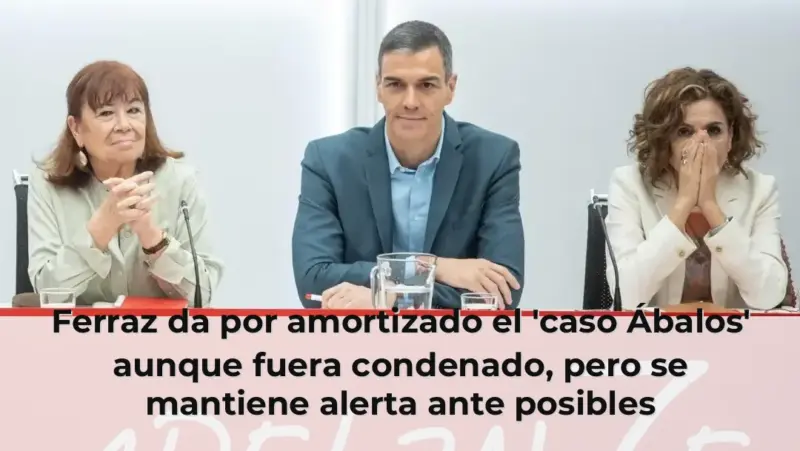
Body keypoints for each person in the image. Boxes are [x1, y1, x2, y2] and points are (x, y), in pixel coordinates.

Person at [292, 20, 524, 309]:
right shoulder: (328, 161)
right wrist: (434, 268)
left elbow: (503, 291)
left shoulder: (494, 159)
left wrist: (384, 297)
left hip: (455, 338)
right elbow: (313, 281)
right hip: (357, 336)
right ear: (378, 88)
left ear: (450, 88)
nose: (410, 102)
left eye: (426, 85)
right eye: (396, 85)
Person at [27, 60, 223, 306]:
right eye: (106, 113)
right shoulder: (48, 186)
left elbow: (202, 296)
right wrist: (101, 229)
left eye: (133, 110)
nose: (124, 125)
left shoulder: (181, 182)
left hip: (163, 330)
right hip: (80, 330)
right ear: (76, 128)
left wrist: (153, 238)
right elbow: (47, 294)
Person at [605, 67, 789, 310]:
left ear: (730, 137)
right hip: (656, 332)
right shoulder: (629, 184)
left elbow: (768, 296)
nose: (701, 143)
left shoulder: (760, 190)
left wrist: (711, 207)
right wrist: (684, 202)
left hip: (732, 332)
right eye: (685, 132)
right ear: (664, 139)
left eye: (714, 130)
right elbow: (626, 297)